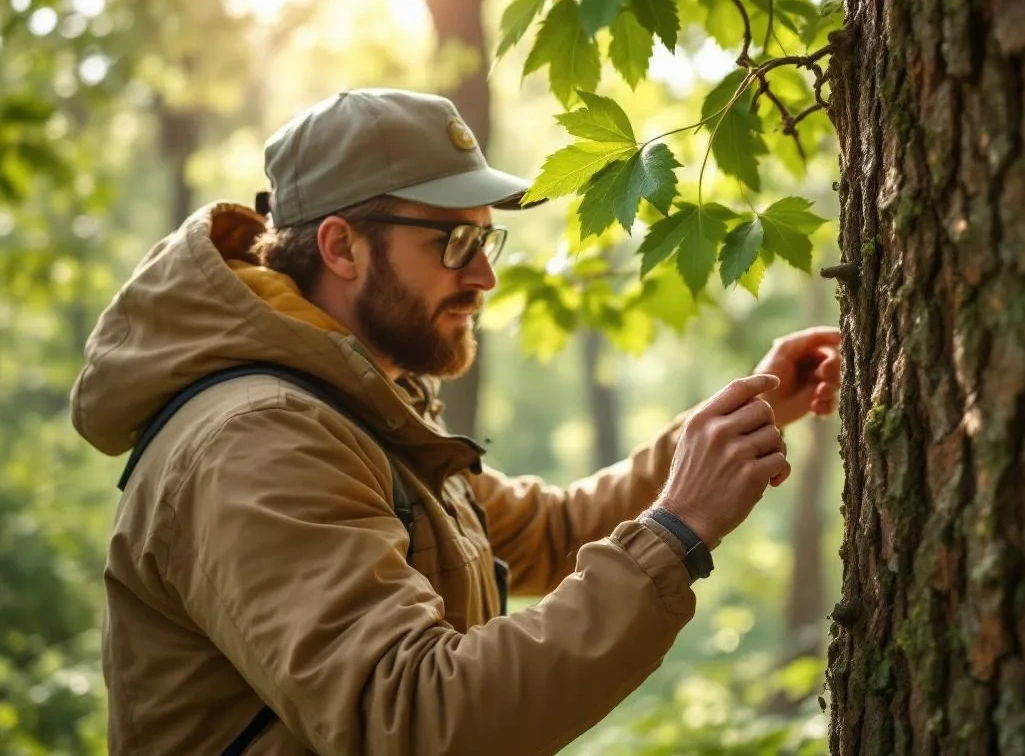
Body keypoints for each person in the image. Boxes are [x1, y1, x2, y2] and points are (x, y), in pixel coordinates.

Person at [71, 88, 841, 756]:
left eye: (485, 238)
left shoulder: (357, 412)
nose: (485, 276)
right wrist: (678, 530)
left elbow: (546, 533)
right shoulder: (259, 439)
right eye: (455, 242)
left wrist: (743, 411)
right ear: (342, 246)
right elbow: (412, 719)